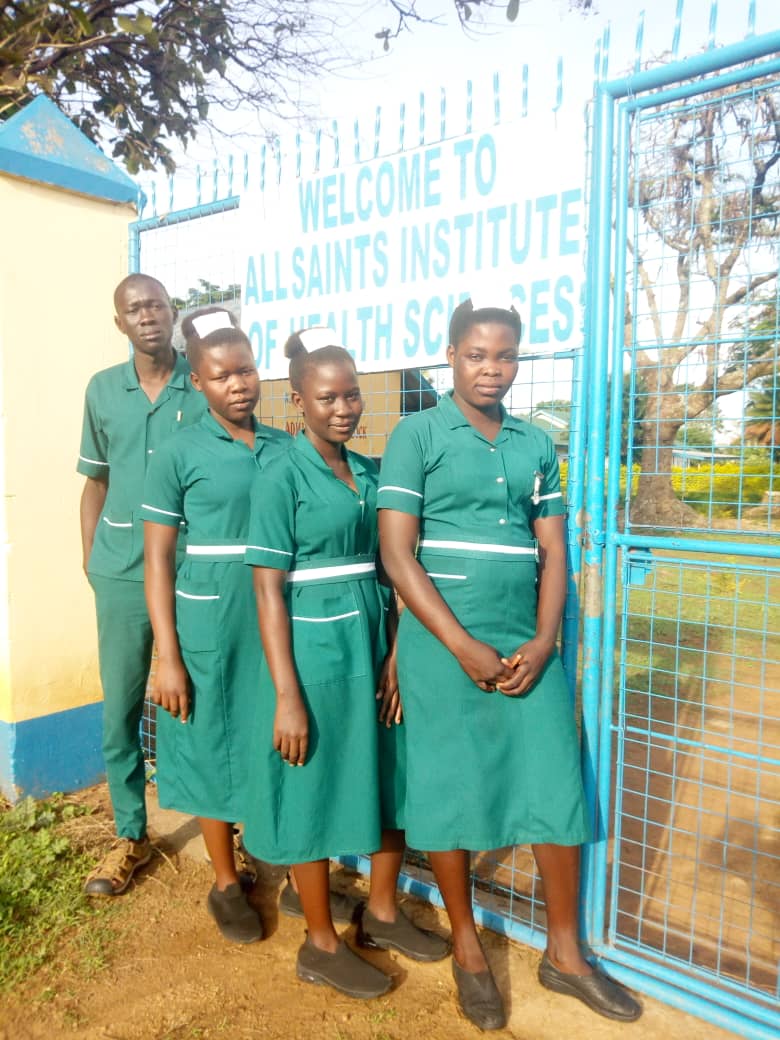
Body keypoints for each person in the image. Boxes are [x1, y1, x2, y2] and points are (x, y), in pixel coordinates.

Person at [377, 297, 643, 1029]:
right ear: (451, 355)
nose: (491, 369)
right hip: (444, 644)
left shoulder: (533, 442)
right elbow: (398, 554)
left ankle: (566, 954)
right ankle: (468, 948)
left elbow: (554, 549)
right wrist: (459, 645)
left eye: (505, 356)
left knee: (554, 781)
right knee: (448, 788)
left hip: (526, 639)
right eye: (476, 355)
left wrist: (546, 638)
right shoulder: (417, 434)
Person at [243, 328, 449, 998]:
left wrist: (396, 652)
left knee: (390, 773)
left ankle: (383, 912)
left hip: (374, 642)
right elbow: (267, 588)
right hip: (316, 651)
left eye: (352, 394)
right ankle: (321, 943)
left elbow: (392, 567)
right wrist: (287, 695)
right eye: (326, 396)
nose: (343, 407)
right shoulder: (281, 476)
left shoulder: (368, 473)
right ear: (297, 402)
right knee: (316, 784)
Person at [141, 307, 292, 942]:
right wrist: (168, 656)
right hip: (210, 617)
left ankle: (281, 858)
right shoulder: (177, 452)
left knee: (272, 733)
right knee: (209, 740)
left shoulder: (289, 447)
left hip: (276, 615)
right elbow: (156, 558)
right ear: (197, 383)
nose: (239, 384)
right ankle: (226, 882)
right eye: (222, 375)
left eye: (247, 371)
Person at [78, 274, 207, 896]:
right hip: (122, 574)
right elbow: (95, 482)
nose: (147, 315)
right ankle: (131, 834)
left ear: (173, 311)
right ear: (119, 322)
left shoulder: (202, 384)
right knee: (122, 707)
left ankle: (218, 818)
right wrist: (90, 558)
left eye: (156, 304)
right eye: (134, 308)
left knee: (202, 694)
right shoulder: (104, 391)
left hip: (192, 574)